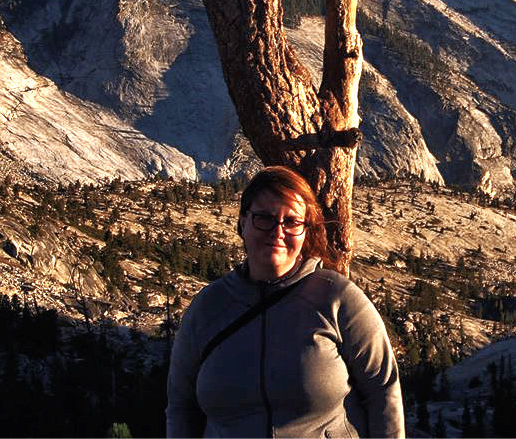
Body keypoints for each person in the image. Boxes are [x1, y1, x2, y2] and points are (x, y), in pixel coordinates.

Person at [166, 166, 405, 438]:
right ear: (243, 222)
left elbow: (383, 389)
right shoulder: (207, 309)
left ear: (305, 230)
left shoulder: (338, 298)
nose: (277, 231)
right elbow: (181, 407)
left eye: (291, 221)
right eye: (264, 218)